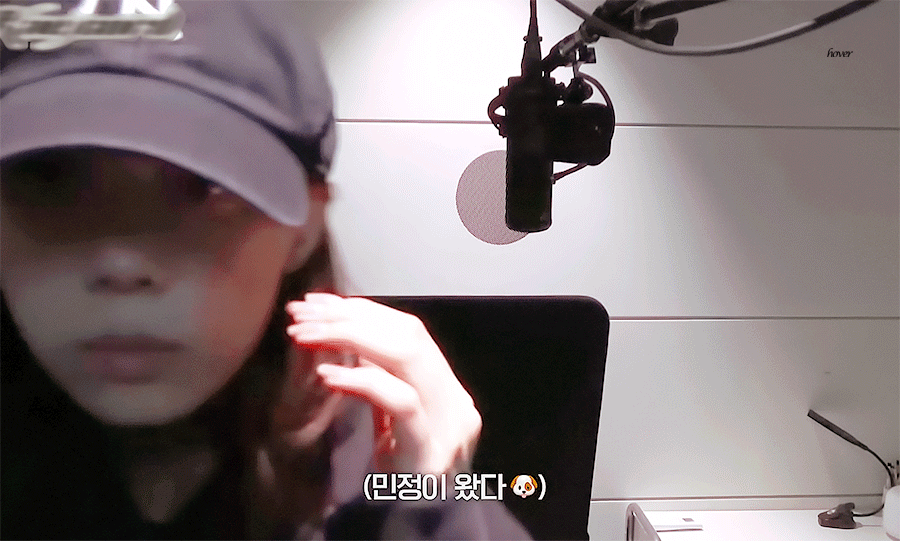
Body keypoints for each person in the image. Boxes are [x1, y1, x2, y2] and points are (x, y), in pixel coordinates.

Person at [0, 1, 532, 539]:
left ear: (303, 228)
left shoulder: (385, 465)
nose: (123, 263)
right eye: (48, 177)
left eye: (206, 186)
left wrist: (440, 513)